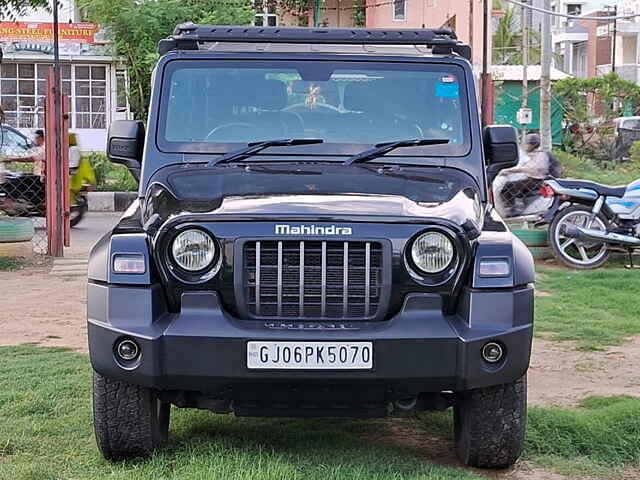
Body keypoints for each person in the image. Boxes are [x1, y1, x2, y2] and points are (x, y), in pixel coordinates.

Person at [499, 133, 561, 217]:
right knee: (509, 187)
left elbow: (531, 168)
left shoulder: (540, 155)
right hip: (531, 178)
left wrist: (511, 171)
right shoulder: (532, 154)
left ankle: (513, 209)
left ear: (533, 145)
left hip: (537, 180)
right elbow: (523, 166)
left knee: (510, 187)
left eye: (527, 144)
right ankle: (513, 207)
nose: (526, 146)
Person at [0, 129, 46, 210]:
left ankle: (11, 203)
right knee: (16, 178)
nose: (34, 140)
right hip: (38, 176)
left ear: (40, 138)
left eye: (35, 138)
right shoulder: (40, 148)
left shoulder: (44, 148)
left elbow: (32, 158)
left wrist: (12, 159)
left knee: (16, 181)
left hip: (40, 178)